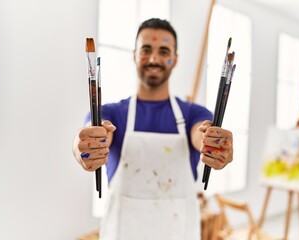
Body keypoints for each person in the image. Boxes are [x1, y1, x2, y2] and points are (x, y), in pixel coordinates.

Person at [72, 18, 233, 240]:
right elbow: (93, 130)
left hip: (178, 231)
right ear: (134, 55)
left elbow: (202, 135)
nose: (154, 58)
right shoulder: (111, 113)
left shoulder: (194, 115)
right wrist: (82, 147)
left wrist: (216, 143)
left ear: (175, 59)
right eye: (146, 49)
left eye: (164, 51)